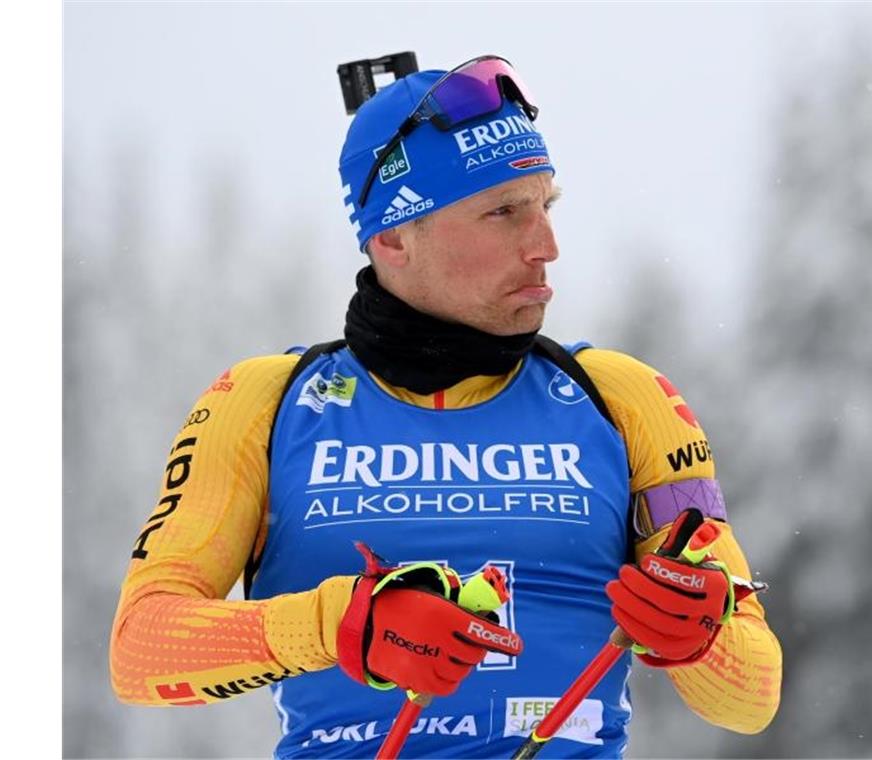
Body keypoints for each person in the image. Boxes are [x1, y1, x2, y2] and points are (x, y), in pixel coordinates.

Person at [109, 54, 782, 759]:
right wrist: (341, 624)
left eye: (545, 206)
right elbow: (140, 651)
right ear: (393, 237)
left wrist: (703, 633)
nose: (546, 247)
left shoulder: (621, 398)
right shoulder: (267, 403)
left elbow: (752, 698)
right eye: (503, 212)